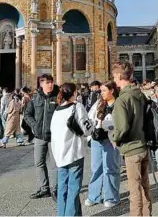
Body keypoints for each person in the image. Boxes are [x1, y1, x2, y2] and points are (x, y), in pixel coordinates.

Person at [111, 61, 152, 216]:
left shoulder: (122, 99)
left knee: (134, 190)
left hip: (132, 147)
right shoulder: (139, 94)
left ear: (118, 76)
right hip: (143, 144)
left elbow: (122, 127)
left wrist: (115, 138)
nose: (114, 79)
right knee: (145, 186)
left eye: (114, 76)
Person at [49, 83, 93, 216]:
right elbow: (87, 128)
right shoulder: (76, 107)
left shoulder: (57, 110)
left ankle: (63, 214)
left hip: (59, 154)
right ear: (74, 93)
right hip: (74, 152)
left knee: (63, 187)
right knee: (73, 188)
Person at [85, 81, 121, 208]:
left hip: (111, 139)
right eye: (101, 91)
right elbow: (90, 117)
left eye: (104, 90)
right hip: (97, 138)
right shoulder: (99, 102)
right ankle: (93, 195)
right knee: (96, 168)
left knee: (110, 168)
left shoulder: (118, 103)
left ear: (112, 90)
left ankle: (111, 197)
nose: (102, 93)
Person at [24, 74, 59, 200]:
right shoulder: (35, 98)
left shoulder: (58, 97)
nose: (50, 84)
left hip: (54, 136)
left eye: (51, 82)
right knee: (39, 162)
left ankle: (55, 188)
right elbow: (27, 114)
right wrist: (34, 125)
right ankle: (44, 188)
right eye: (47, 82)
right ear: (41, 84)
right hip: (39, 136)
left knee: (54, 164)